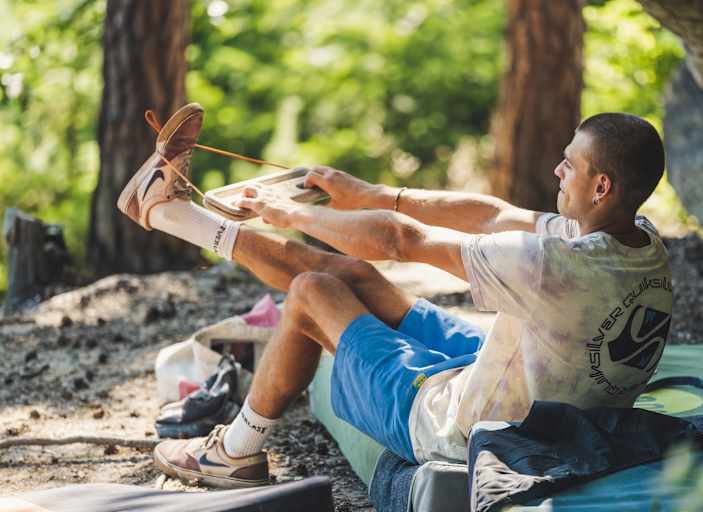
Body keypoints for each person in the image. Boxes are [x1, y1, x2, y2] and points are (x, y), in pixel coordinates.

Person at [117, 103, 673, 489]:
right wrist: (376, 194)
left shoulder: (556, 268)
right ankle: (163, 209)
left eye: (570, 163)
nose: (557, 168)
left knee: (311, 293)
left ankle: (232, 455)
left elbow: (401, 241)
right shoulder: (641, 243)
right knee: (354, 276)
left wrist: (287, 212)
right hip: (524, 390)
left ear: (601, 187)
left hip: (459, 431)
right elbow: (495, 215)